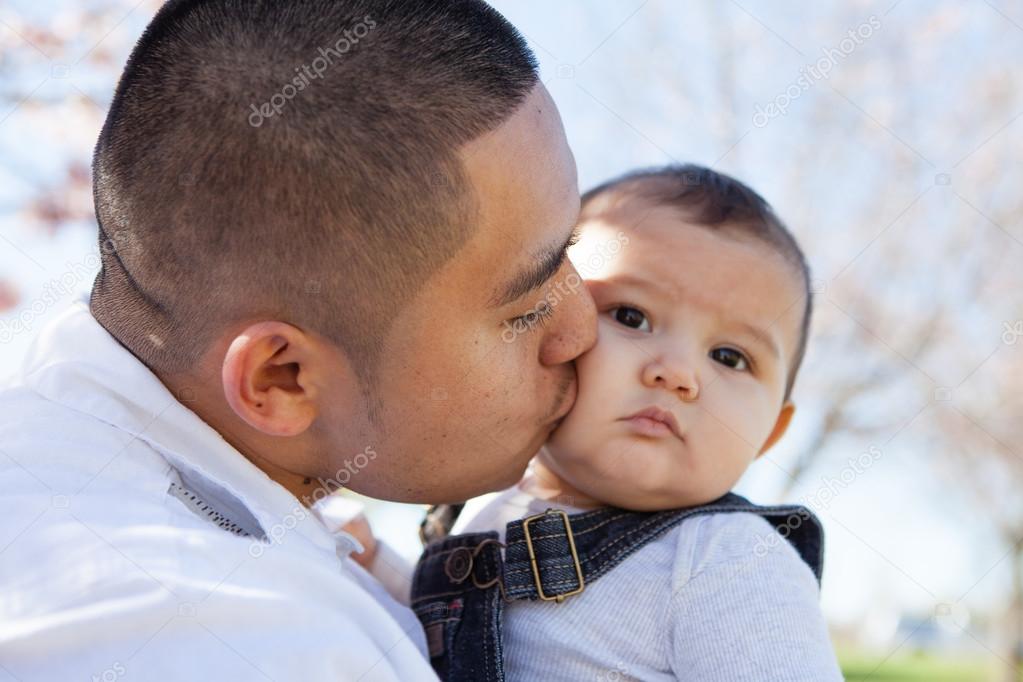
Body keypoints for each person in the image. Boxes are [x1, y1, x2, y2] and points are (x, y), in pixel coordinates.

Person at [0, 1, 597, 680]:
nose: (581, 330)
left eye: (571, 245)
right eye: (522, 308)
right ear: (280, 379)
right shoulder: (260, 644)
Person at [408, 165, 844, 680]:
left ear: (769, 435)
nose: (678, 374)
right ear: (547, 328)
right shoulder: (479, 499)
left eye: (729, 356)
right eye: (632, 317)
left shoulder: (729, 561)